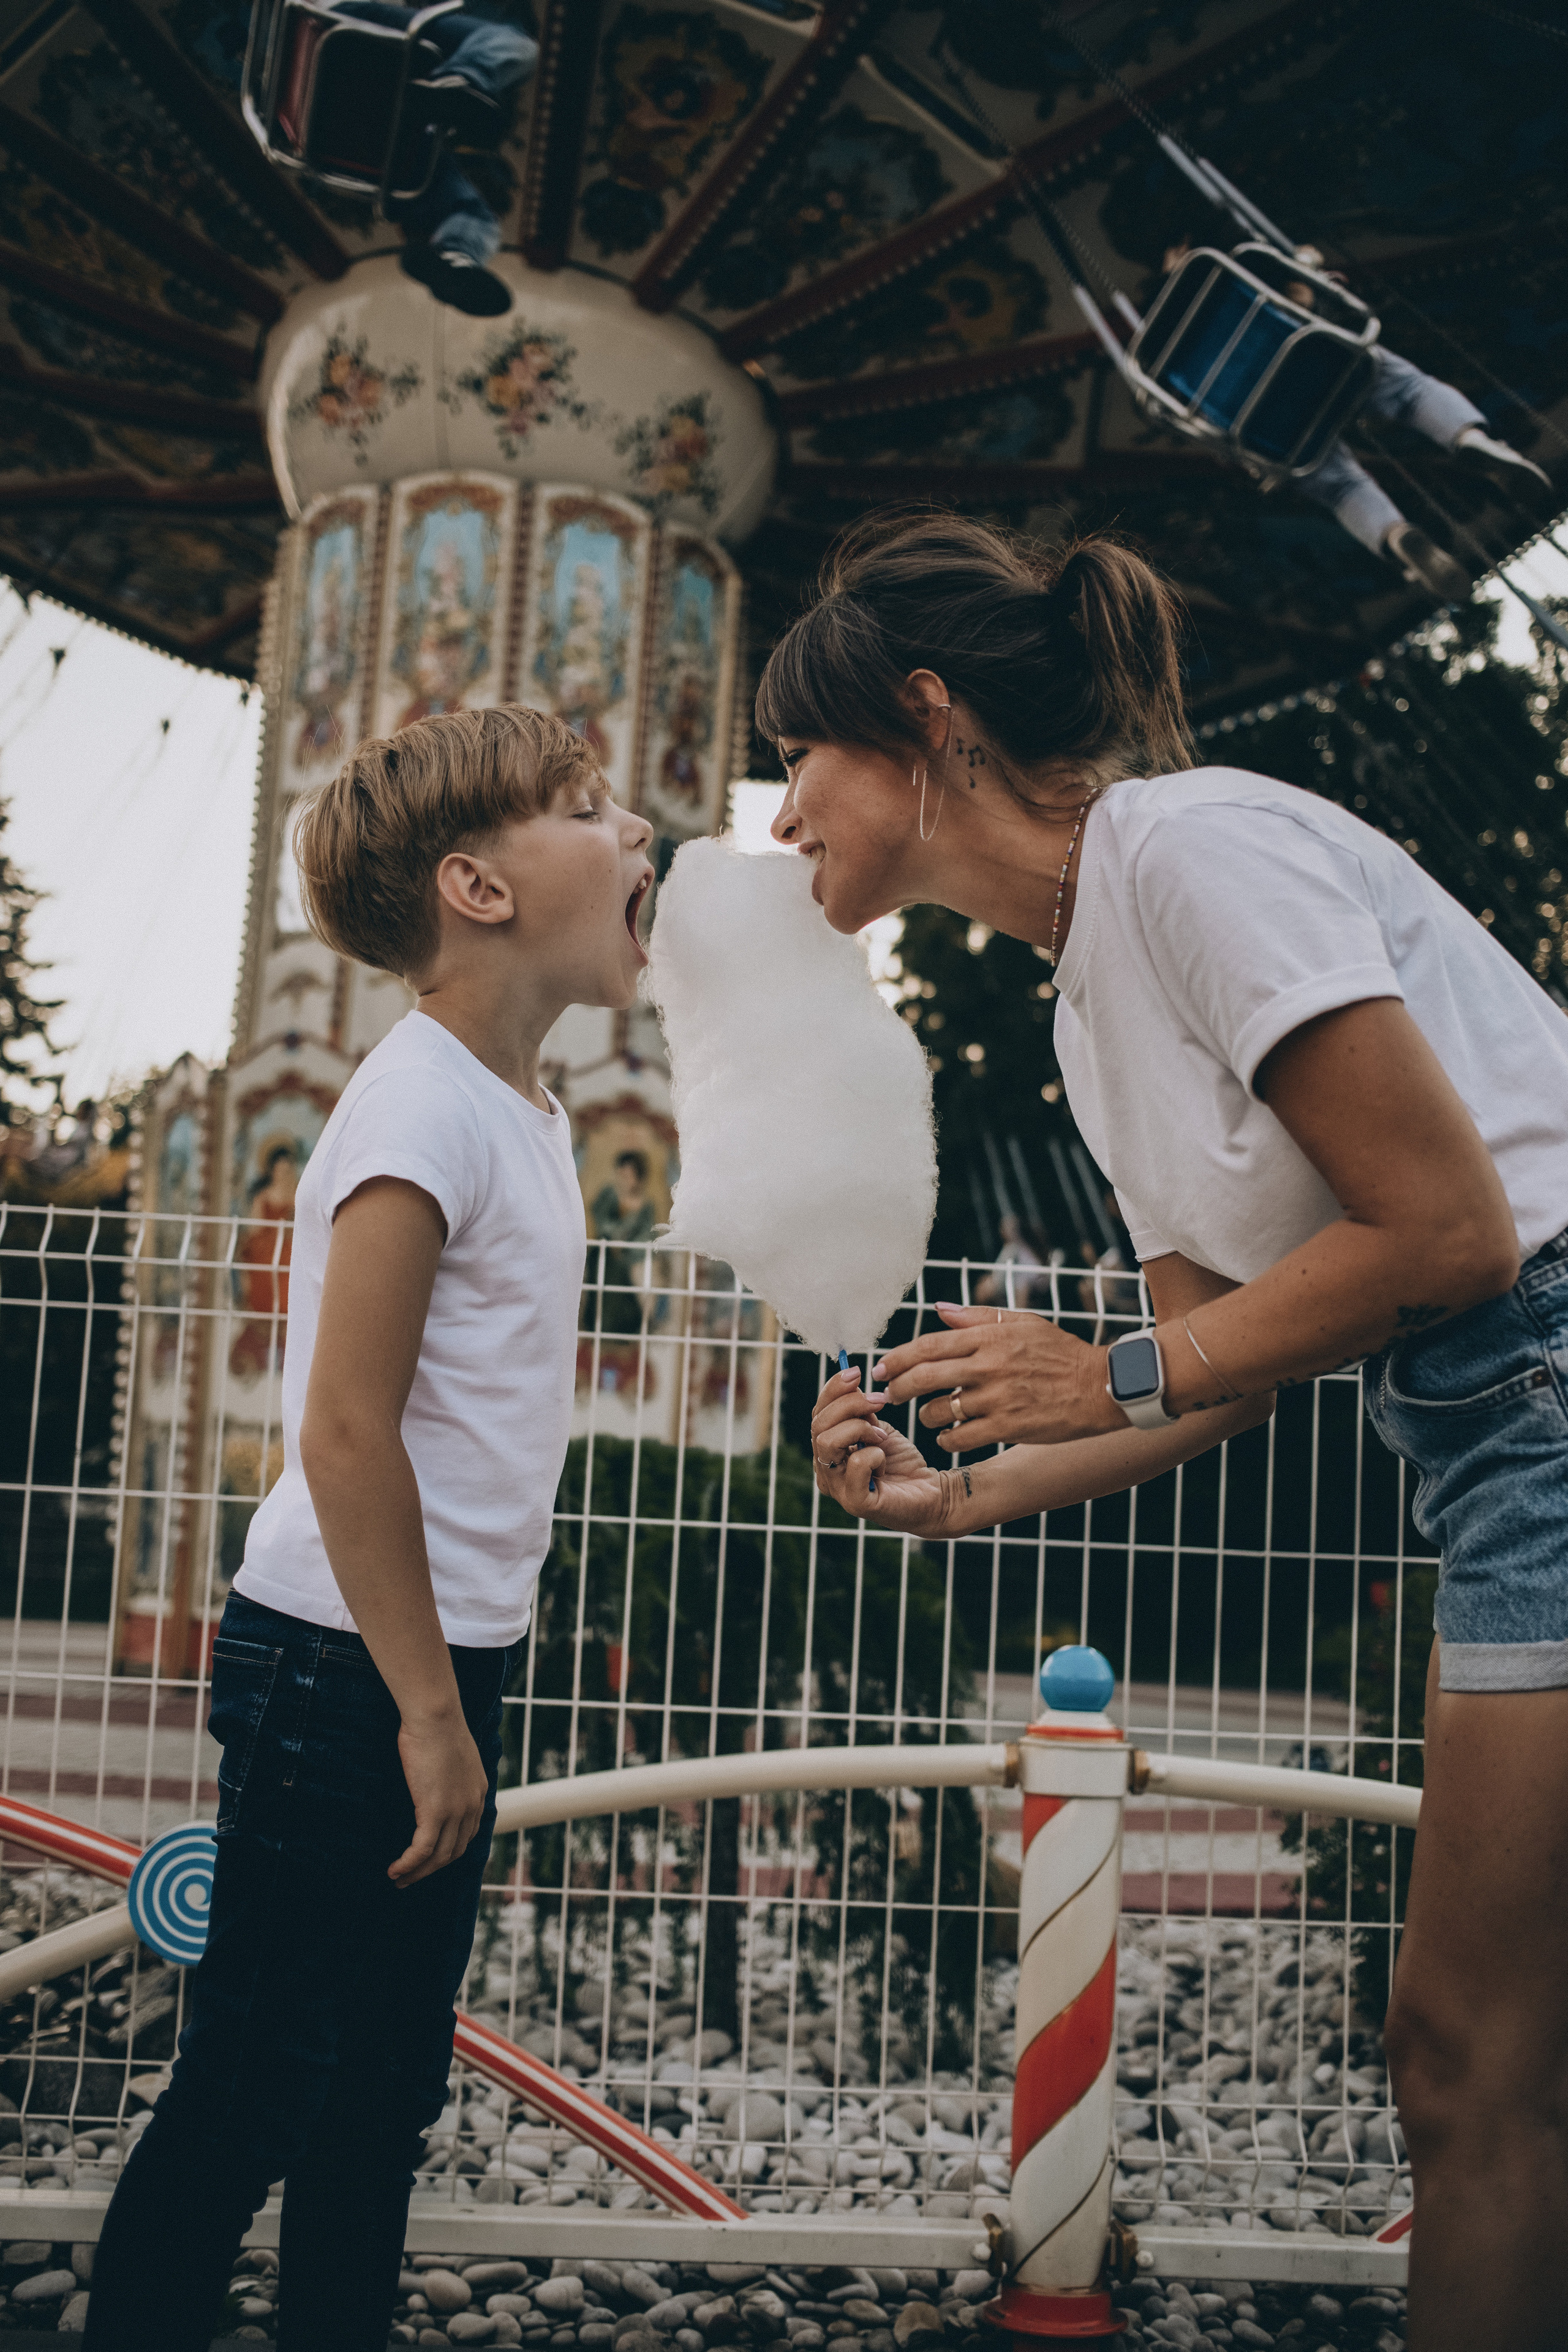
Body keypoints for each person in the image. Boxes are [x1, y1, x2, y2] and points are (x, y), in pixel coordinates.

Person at [764, 510, 1568, 2352]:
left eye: (794, 752)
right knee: (1476, 2061)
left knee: (1463, 2060)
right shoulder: (1089, 982)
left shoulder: (1190, 853)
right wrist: (963, 1487)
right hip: (1489, 1416)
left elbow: (1444, 1232)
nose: (784, 810)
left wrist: (1102, 1370)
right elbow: (1223, 1360)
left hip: (1535, 1370)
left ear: (921, 719)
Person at [81, 707, 654, 2352]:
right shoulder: (419, 1111)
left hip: (436, 1661)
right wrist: (425, 1714)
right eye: (585, 808)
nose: (634, 836)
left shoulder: (525, 1113)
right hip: (346, 1669)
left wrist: (454, 1693)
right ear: (478, 885)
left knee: (379, 2097)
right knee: (256, 2089)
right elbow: (340, 1429)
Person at [1163, 238, 1553, 601]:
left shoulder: (1164, 350)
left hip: (1264, 419)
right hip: (1319, 361)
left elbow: (1188, 416)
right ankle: (1471, 441)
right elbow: (1307, 279)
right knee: (1410, 391)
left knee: (1340, 489)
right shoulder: (1240, 263)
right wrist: (1312, 269)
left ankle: (1397, 537)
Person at [331, 2, 538, 317]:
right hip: (367, 138)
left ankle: (461, 81)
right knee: (455, 200)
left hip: (354, 34)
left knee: (521, 48)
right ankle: (455, 258)